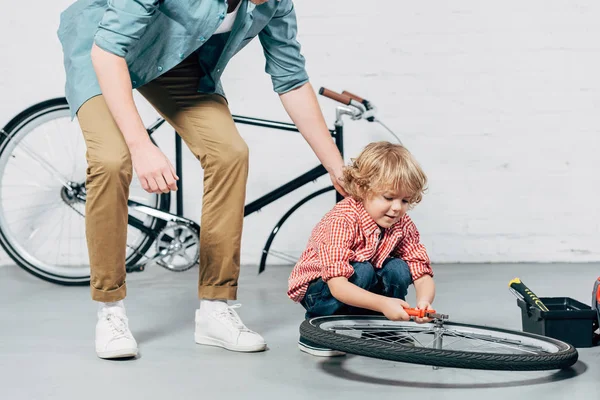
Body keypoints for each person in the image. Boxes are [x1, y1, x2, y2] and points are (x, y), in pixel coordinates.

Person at [57, 0, 347, 359]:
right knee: (112, 160)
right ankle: (110, 310)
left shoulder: (275, 3)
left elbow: (291, 79)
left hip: (170, 56)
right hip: (102, 47)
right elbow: (108, 52)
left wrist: (336, 165)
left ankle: (215, 308)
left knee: (229, 154)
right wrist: (141, 146)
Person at [287, 141, 435, 357]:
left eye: (405, 200)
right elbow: (337, 285)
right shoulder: (342, 220)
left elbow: (420, 271)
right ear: (363, 189)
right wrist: (384, 303)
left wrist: (424, 302)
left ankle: (380, 330)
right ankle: (316, 330)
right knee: (362, 270)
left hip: (361, 286)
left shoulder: (402, 223)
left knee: (398, 268)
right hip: (322, 289)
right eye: (389, 197)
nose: (397, 207)